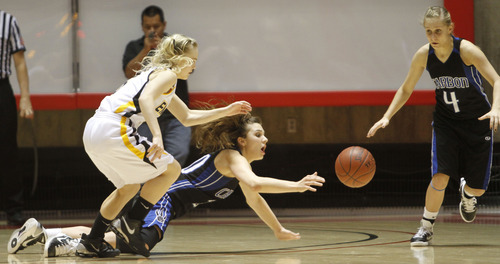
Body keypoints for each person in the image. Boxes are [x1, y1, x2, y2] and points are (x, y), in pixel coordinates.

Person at [8, 113, 325, 257]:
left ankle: (46, 233)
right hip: (162, 200)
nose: (265, 138)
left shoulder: (236, 167)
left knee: (117, 238)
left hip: (162, 201)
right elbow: (256, 183)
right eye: (259, 134)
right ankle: (68, 247)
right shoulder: (231, 156)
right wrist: (296, 185)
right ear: (242, 141)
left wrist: (277, 229)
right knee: (140, 246)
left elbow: (254, 197)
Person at [73, 33, 251, 258]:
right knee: (173, 169)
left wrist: (226, 111)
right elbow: (146, 99)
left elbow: (186, 117)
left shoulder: (158, 78)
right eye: (192, 60)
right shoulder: (167, 75)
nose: (194, 66)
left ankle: (93, 241)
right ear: (178, 58)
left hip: (94, 131)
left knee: (128, 188)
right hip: (114, 127)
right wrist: (157, 136)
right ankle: (131, 224)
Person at [367, 6, 500, 247]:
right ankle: (426, 227)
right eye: (428, 32)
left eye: (438, 31)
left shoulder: (466, 51)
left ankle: (467, 195)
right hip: (446, 122)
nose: (433, 37)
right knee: (439, 177)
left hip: (477, 122)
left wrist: (496, 108)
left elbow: (497, 79)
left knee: (478, 190)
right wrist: (387, 116)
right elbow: (406, 88)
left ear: (450, 29)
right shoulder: (423, 55)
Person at [123, 5, 192, 166]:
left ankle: (169, 190)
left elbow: (187, 68)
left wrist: (163, 48)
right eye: (148, 27)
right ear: (142, 26)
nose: (152, 30)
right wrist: (146, 49)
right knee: (146, 157)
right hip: (145, 116)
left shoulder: (175, 44)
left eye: (156, 26)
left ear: (164, 25)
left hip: (175, 114)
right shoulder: (134, 47)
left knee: (178, 155)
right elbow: (128, 73)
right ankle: (150, 190)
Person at [0, 10, 34, 226]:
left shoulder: (7, 21)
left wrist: (25, 98)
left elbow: (20, 62)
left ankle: (14, 208)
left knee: (7, 150)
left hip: (1, 88)